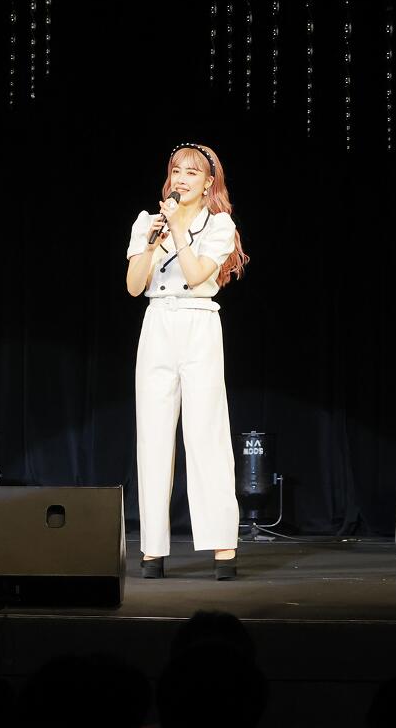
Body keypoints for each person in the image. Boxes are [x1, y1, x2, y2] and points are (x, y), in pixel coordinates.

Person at [125, 143, 249, 580]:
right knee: (153, 437)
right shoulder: (147, 221)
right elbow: (134, 286)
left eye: (192, 173)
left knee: (206, 434)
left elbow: (198, 276)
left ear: (209, 182)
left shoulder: (220, 224)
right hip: (157, 322)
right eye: (176, 170)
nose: (181, 179)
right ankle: (152, 548)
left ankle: (223, 546)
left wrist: (179, 229)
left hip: (199, 321)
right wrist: (153, 242)